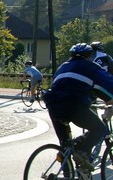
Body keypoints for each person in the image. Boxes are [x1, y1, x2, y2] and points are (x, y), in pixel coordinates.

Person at [43, 43, 113, 172]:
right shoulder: (91, 67)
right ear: (90, 56)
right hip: (73, 105)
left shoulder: (63, 67)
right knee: (100, 129)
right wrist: (109, 100)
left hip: (53, 105)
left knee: (65, 144)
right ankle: (82, 152)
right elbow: (107, 86)